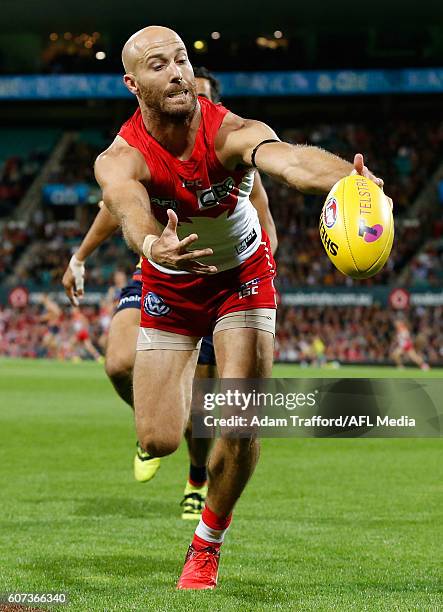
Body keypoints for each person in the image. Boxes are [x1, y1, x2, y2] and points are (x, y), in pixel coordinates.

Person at [94, 25, 384, 590]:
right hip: (171, 282)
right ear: (132, 83)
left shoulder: (230, 131)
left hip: (242, 280)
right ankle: (170, 443)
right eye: (159, 65)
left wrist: (350, 182)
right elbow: (127, 209)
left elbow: (290, 161)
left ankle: (206, 544)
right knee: (159, 438)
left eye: (181, 59)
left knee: (241, 419)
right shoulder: (120, 157)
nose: (177, 71)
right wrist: (155, 245)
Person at [62, 68, 278, 521]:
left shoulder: (234, 158)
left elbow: (265, 226)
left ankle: (197, 476)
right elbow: (114, 209)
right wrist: (79, 258)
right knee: (119, 362)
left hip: (220, 282)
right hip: (157, 272)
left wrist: (255, 280)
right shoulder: (143, 151)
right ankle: (157, 423)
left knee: (206, 400)